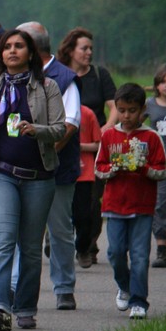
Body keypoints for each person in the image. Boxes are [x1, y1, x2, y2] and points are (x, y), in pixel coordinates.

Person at [0, 29, 66, 331]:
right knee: (3, 241)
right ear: (1, 54)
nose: (12, 51)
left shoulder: (48, 87)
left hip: (39, 177)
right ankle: (1, 307)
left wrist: (37, 130)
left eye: (19, 46)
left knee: (30, 247)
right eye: (7, 46)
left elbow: (60, 129)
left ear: (30, 53)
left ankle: (26, 307)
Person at [17, 22, 81, 311]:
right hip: (19, 168)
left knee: (59, 230)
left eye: (20, 44)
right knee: (21, 231)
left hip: (56, 170)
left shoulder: (64, 78)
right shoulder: (16, 75)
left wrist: (43, 155)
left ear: (32, 48)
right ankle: (17, 286)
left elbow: (69, 125)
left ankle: (64, 286)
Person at [95, 83, 166, 319]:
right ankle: (124, 286)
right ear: (116, 109)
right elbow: (99, 167)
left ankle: (139, 301)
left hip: (142, 206)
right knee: (115, 253)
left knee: (139, 255)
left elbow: (163, 170)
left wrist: (144, 168)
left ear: (142, 109)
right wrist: (113, 168)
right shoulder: (109, 136)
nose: (127, 116)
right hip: (114, 206)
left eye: (132, 110)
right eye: (122, 110)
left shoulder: (151, 137)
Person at [58, 27, 117, 266]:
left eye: (91, 48)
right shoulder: (60, 74)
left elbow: (114, 106)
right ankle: (59, 239)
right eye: (84, 48)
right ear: (71, 50)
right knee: (63, 198)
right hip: (64, 142)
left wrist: (105, 131)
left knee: (91, 201)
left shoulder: (99, 75)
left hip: (95, 143)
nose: (89, 53)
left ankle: (88, 244)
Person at [144, 64, 166, 267]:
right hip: (159, 160)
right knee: (161, 203)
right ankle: (161, 249)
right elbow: (135, 124)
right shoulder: (150, 104)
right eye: (163, 82)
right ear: (156, 85)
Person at [73, 104, 102, 270]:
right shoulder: (54, 109)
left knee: (84, 216)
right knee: (61, 214)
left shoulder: (88, 113)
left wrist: (80, 146)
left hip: (84, 174)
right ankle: (54, 243)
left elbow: (98, 144)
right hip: (61, 173)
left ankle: (82, 248)